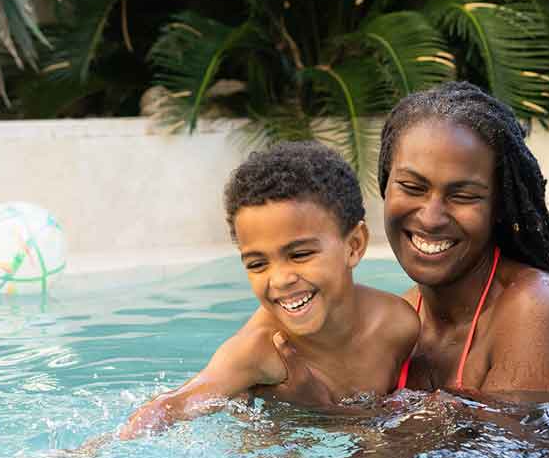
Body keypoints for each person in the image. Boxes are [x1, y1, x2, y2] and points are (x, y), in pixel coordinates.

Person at [117, 141, 419, 438]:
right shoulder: (258, 350)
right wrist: (94, 454)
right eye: (257, 264)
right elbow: (177, 403)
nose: (279, 280)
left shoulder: (397, 323)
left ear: (354, 246)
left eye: (299, 255)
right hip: (277, 457)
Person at [378, 81, 549, 397]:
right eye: (411, 187)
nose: (431, 217)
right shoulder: (399, 317)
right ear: (384, 184)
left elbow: (514, 446)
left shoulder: (537, 307)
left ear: (499, 207)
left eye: (463, 196)